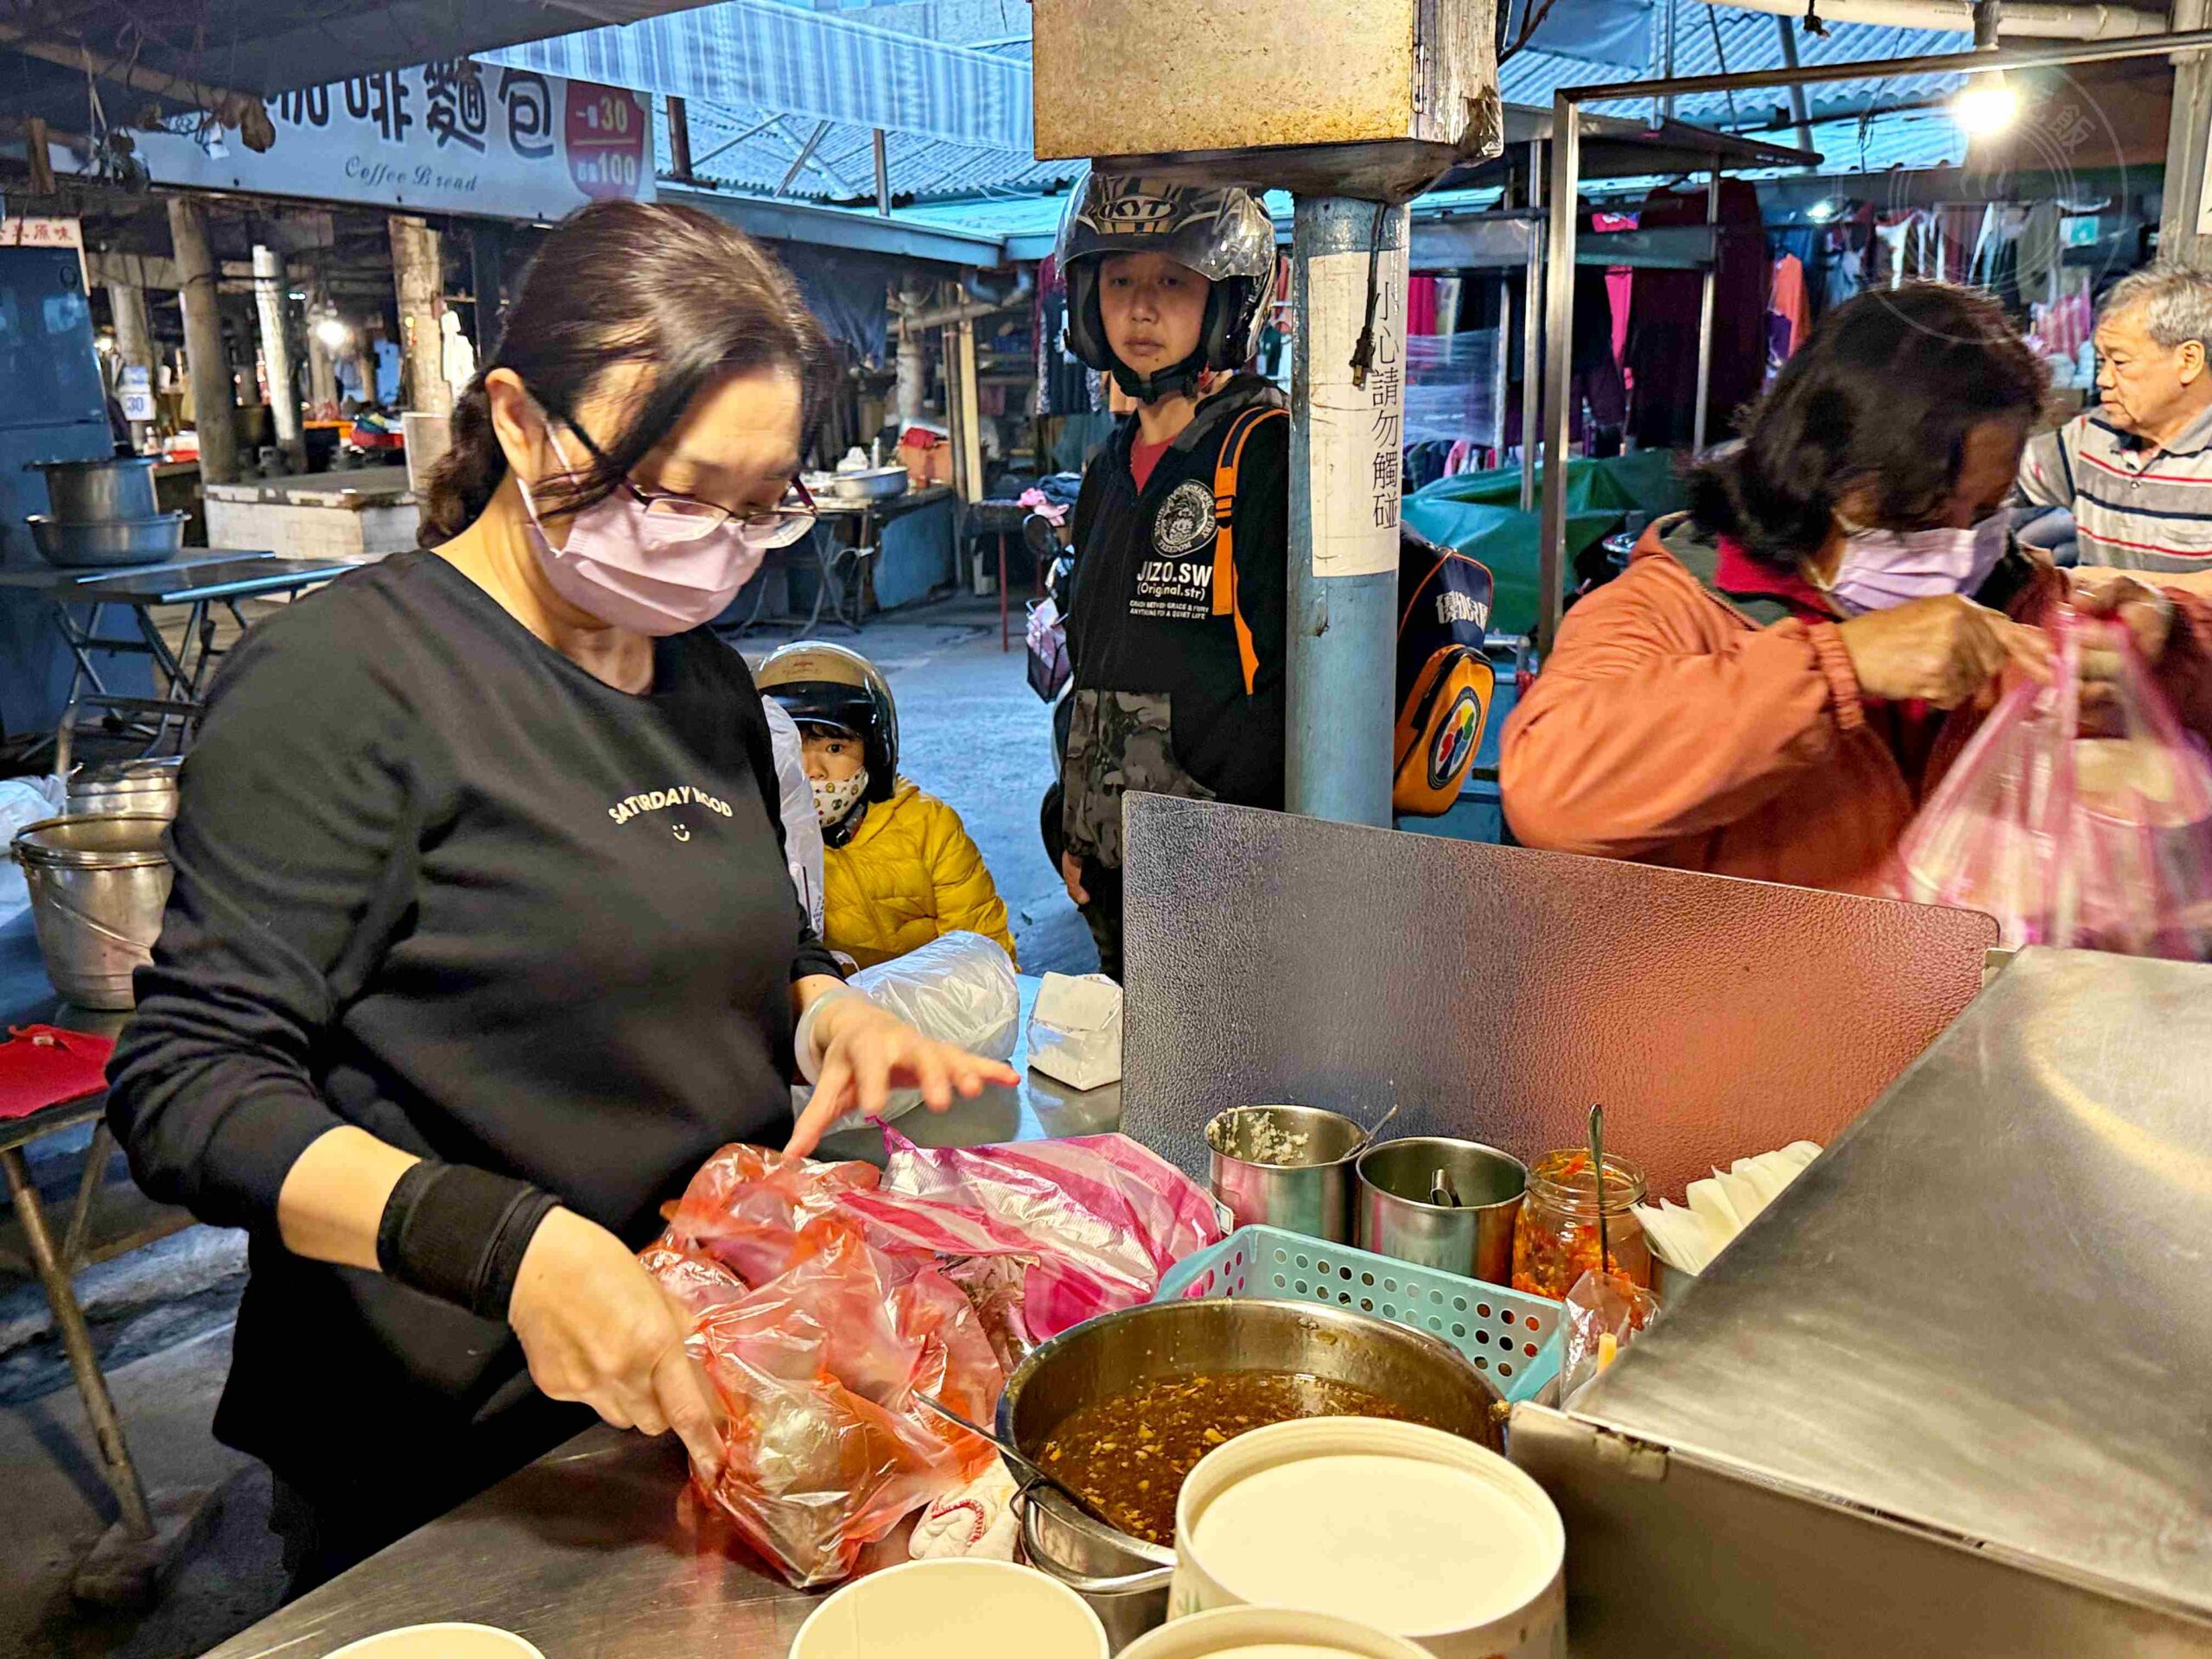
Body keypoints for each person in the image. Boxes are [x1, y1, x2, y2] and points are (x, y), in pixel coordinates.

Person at [105, 201, 1015, 1591]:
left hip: (692, 1387)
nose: (713, 545)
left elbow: (753, 935)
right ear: (523, 423)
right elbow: (187, 1087)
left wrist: (822, 1008)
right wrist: (510, 1251)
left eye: (759, 503)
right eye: (676, 490)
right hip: (448, 1456)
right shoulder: (347, 686)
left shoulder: (700, 676)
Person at [1503, 283, 2212, 894]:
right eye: (1920, 515)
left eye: (1986, 512)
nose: (1960, 545)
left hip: (1972, 1022)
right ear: (1817, 472)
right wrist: (1838, 667)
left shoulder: (2020, 595)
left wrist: (2165, 640)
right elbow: (1551, 793)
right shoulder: (1675, 606)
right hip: (1768, 1035)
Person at [1052, 174, 1286, 978]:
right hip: (1118, 865)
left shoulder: (1266, 454)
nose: (1140, 310)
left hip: (1223, 873)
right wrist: (1074, 824)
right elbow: (1094, 662)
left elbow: (1293, 687)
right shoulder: (1107, 468)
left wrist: (1228, 849)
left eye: (1172, 282)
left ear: (1227, 301)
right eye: (1120, 281)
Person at [757, 640, 1016, 971]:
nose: (813, 771)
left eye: (835, 748)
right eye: (791, 751)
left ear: (876, 752)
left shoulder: (929, 827)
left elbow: (985, 950)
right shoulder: (757, 848)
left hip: (937, 1009)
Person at [2018, 263, 2212, 583]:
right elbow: (2003, 481)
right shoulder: (2092, 435)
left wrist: (2129, 589)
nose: (2103, 379)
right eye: (2102, 361)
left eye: (2119, 362)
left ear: (2188, 361)